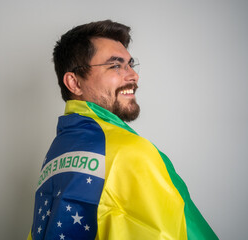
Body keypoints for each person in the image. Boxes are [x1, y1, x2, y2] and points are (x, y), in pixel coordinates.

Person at [28, 20, 218, 240]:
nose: (134, 76)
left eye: (130, 65)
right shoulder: (132, 152)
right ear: (74, 83)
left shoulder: (56, 153)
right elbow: (182, 231)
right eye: (116, 66)